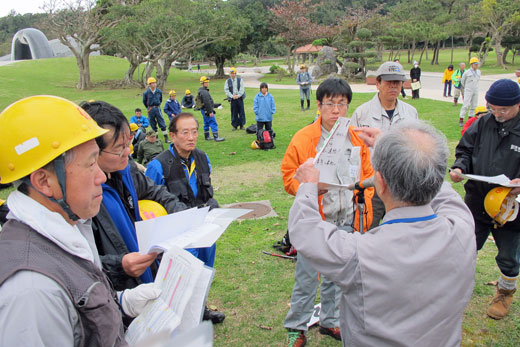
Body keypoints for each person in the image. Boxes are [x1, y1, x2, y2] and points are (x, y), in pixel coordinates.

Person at [290, 120, 476, 347]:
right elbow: (441, 189)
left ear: (381, 183)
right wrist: (399, 149)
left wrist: (308, 185)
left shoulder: (359, 254)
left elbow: (305, 231)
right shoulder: (463, 229)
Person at [0, 95, 160, 346]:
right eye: (89, 165)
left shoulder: (68, 229)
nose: (102, 177)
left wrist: (122, 302)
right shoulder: (31, 292)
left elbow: (77, 313)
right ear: (44, 181)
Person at [281, 78, 374, 347]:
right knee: (307, 276)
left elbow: (367, 178)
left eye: (341, 104)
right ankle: (296, 326)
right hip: (316, 220)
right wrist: (310, 188)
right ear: (319, 106)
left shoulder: (356, 138)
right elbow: (289, 176)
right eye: (330, 104)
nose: (336, 110)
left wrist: (362, 207)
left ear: (348, 107)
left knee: (338, 275)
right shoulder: (304, 138)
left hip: (348, 218)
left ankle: (330, 321)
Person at [80, 100, 188, 293]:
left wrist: (181, 215)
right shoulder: (82, 198)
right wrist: (120, 265)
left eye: (127, 144)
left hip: (147, 270)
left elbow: (154, 191)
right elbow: (81, 263)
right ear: (93, 152)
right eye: (119, 148)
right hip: (119, 291)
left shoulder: (126, 169)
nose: (128, 152)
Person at [145, 112, 225, 324]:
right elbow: (149, 204)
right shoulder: (158, 166)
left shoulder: (202, 157)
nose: (191, 137)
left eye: (195, 132)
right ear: (172, 135)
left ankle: (200, 309)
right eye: (185, 132)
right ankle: (176, 317)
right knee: (181, 277)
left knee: (204, 271)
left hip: (204, 228)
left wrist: (212, 204)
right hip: (176, 233)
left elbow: (205, 189)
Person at [450, 79, 520, 320]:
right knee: (466, 247)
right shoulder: (482, 123)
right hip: (478, 199)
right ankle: (455, 292)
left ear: (517, 105)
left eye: (504, 110)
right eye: (493, 108)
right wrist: (459, 167)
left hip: (510, 205)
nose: (497, 114)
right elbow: (465, 150)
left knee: (508, 255)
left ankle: (505, 291)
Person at [351, 61, 418, 229]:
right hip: (370, 185)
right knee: (367, 230)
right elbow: (352, 151)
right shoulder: (362, 113)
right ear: (378, 83)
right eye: (389, 82)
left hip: (400, 186)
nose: (394, 86)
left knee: (399, 233)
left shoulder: (411, 113)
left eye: (398, 82)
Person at [143, 77, 169, 144]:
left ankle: (166, 137)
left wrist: (157, 105)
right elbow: (144, 101)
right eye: (153, 83)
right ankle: (156, 138)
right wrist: (148, 107)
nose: (154, 84)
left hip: (157, 108)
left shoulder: (159, 92)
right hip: (150, 109)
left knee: (161, 122)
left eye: (155, 83)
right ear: (149, 84)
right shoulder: (146, 93)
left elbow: (160, 100)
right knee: (152, 123)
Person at [198, 76, 225, 142]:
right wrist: (210, 111)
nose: (208, 83)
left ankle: (207, 136)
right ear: (203, 83)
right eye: (206, 82)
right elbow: (207, 102)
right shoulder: (204, 92)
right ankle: (216, 137)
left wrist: (215, 105)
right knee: (213, 122)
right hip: (206, 110)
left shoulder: (202, 91)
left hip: (203, 110)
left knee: (206, 123)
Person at [459, 57, 481, 127]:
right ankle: (461, 119)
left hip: (475, 89)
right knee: (466, 104)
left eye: (477, 64)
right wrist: (467, 88)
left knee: (474, 105)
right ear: (471, 65)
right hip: (468, 90)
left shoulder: (478, 72)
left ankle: (470, 119)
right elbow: (462, 81)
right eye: (475, 64)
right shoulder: (467, 72)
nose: (477, 66)